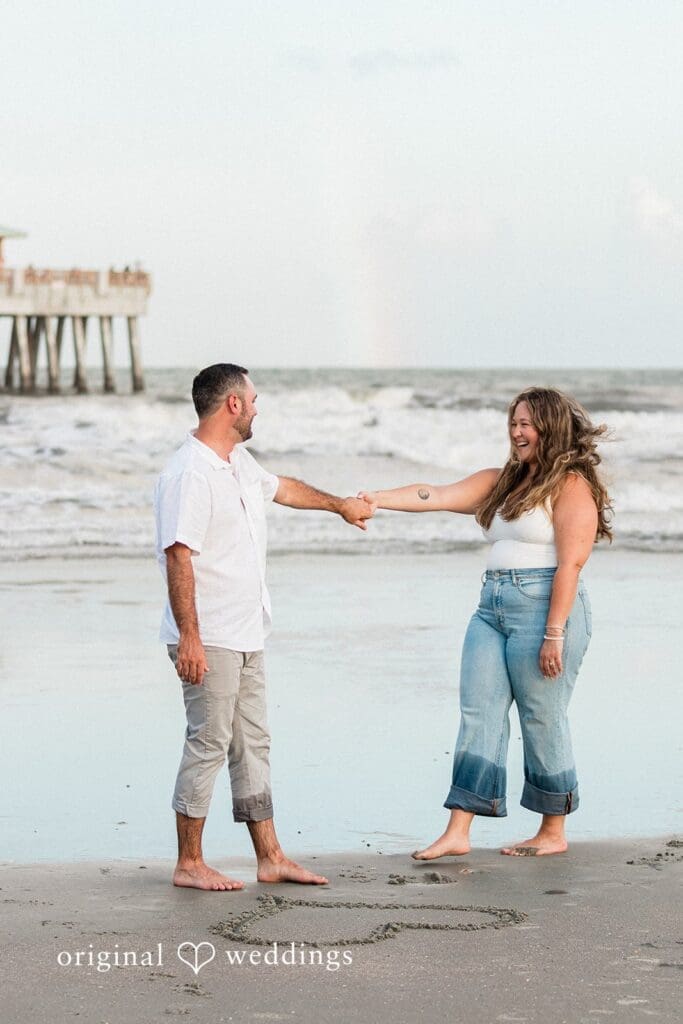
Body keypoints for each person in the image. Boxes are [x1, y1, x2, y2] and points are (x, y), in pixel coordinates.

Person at [359, 387, 612, 858]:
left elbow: (571, 566)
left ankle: (552, 831)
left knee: (541, 716)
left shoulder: (571, 485)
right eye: (513, 422)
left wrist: (554, 632)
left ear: (549, 428)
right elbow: (434, 495)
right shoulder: (502, 482)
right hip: (490, 609)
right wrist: (375, 499)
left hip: (545, 610)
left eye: (527, 424)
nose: (517, 432)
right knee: (478, 713)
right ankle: (458, 831)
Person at [154, 363, 374, 891]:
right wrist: (190, 636)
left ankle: (270, 857)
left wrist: (339, 505)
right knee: (208, 741)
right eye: (252, 399)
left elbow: (285, 489)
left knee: (253, 743)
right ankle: (189, 862)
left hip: (248, 629)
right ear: (232, 404)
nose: (257, 408)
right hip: (210, 637)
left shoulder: (238, 462)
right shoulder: (190, 473)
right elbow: (178, 556)